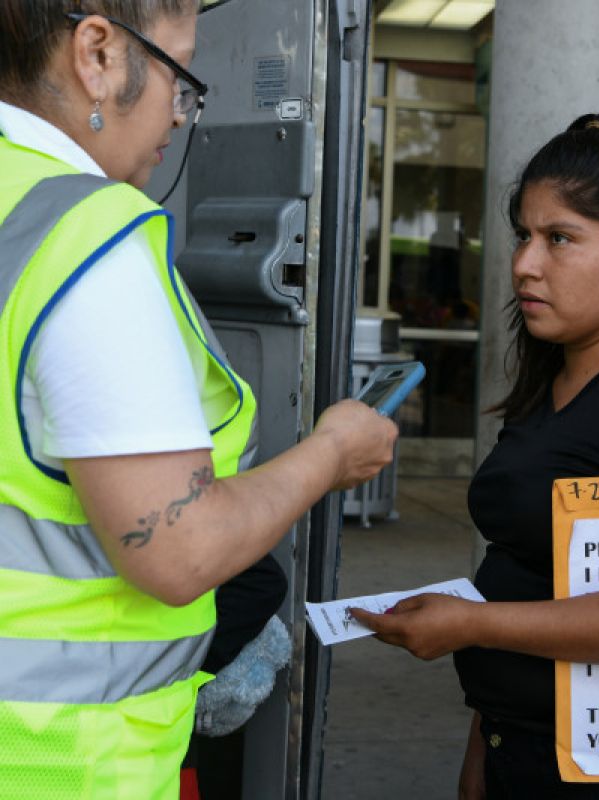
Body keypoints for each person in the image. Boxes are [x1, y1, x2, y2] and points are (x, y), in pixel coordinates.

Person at [0, 3, 398, 797]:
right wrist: (328, 455)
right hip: (60, 764)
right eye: (181, 78)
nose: (180, 118)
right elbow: (176, 550)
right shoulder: (88, 235)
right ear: (99, 54)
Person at [351, 112, 599, 799]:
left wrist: (471, 624)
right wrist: (483, 746)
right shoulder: (550, 383)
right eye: (524, 236)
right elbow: (520, 570)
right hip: (521, 751)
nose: (524, 264)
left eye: (560, 239)